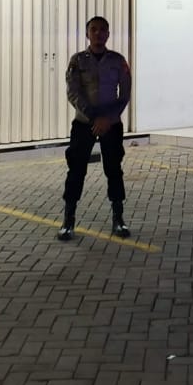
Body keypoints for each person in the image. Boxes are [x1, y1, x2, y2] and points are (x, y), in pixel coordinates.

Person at [58, 16, 132, 241]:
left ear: (108, 34)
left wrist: (107, 118)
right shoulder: (78, 61)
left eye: (102, 30)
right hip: (84, 124)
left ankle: (118, 219)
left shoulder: (118, 61)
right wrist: (94, 118)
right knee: (76, 170)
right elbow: (73, 92)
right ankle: (68, 220)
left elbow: (124, 94)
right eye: (94, 30)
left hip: (111, 125)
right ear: (87, 34)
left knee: (114, 170)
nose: (98, 33)